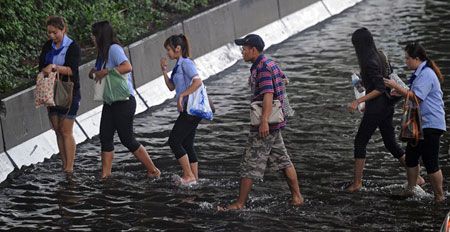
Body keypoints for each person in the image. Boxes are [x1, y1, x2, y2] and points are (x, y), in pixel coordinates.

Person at [219, 34, 304, 211]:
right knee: (283, 160)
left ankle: (239, 204)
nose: (242, 52)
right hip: (275, 124)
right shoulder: (270, 64)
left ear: (253, 50)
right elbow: (283, 78)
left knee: (250, 163)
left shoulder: (263, 68)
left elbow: (268, 95)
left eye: (244, 49)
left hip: (266, 125)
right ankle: (297, 197)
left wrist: (264, 121)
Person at [346, 28, 424, 192]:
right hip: (387, 106)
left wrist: (358, 101)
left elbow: (380, 88)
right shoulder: (380, 55)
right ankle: (417, 177)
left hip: (377, 108)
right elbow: (386, 80)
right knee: (390, 143)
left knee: (360, 142)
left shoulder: (369, 62)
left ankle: (357, 183)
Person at [89, 21, 160, 178]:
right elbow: (98, 73)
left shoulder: (114, 49)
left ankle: (153, 170)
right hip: (110, 101)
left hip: (124, 101)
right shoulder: (102, 53)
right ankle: (105, 175)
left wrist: (106, 71)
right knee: (105, 136)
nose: (92, 38)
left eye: (94, 35)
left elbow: (127, 67)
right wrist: (94, 72)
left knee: (127, 138)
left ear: (101, 36)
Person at [384, 43, 446, 202]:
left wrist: (395, 85)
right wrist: (399, 91)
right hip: (419, 123)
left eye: (407, 58)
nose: (406, 61)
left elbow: (417, 97)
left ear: (417, 59)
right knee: (411, 158)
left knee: (431, 161)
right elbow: (412, 95)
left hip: (431, 123)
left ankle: (439, 196)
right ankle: (411, 189)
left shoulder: (426, 74)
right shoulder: (420, 73)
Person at [38, 16, 81, 173]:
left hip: (68, 91)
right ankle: (64, 164)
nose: (51, 36)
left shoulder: (72, 47)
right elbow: (41, 65)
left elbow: (72, 70)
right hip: (51, 90)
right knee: (57, 128)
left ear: (63, 30)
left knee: (65, 129)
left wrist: (55, 67)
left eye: (55, 33)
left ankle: (69, 167)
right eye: (49, 33)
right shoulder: (47, 46)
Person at [160, 34, 203, 185]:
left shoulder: (186, 63)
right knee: (187, 143)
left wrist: (182, 96)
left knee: (174, 141)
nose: (168, 53)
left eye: (169, 50)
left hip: (190, 110)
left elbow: (198, 81)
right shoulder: (178, 65)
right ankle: (194, 178)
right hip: (187, 111)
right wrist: (164, 71)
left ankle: (188, 175)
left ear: (178, 49)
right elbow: (172, 87)